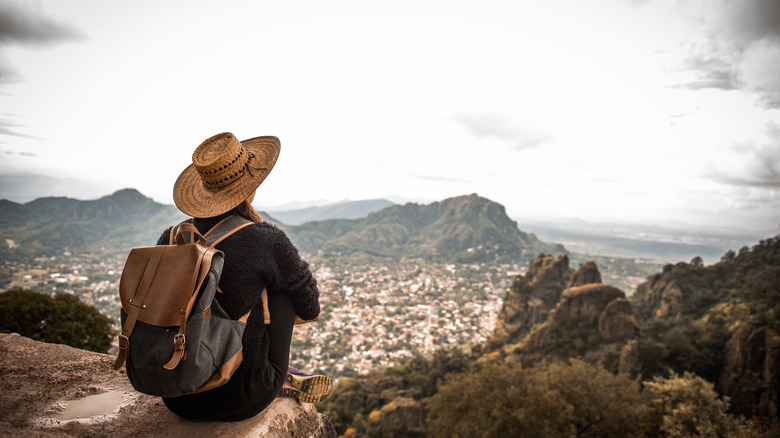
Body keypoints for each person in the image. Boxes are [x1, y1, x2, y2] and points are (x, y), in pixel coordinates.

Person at [158, 132, 331, 421]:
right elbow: (310, 306)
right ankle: (275, 373)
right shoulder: (265, 239)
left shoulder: (173, 237)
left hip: (175, 392)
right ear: (250, 187)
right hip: (240, 395)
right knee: (284, 287)